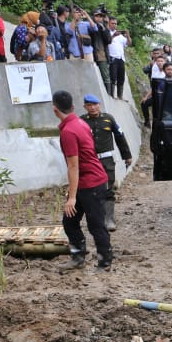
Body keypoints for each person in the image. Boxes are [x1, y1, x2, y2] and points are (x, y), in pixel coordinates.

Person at [52, 90, 112, 271]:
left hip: (91, 183)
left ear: (55, 109)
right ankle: (77, 258)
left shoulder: (69, 132)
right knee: (69, 222)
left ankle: (105, 262)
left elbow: (74, 166)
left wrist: (72, 197)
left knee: (96, 225)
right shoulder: (80, 123)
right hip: (87, 182)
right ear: (73, 106)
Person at [82, 93, 132, 232]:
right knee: (92, 190)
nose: (92, 108)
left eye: (95, 105)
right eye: (89, 105)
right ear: (85, 107)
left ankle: (109, 219)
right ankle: (97, 218)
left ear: (99, 105)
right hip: (90, 160)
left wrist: (126, 155)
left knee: (108, 188)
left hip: (107, 160)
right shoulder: (82, 121)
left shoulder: (108, 119)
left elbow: (119, 136)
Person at [90, 10, 112, 95]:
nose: (99, 18)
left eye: (100, 16)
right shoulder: (90, 25)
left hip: (102, 55)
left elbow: (109, 40)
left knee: (105, 76)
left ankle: (108, 96)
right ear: (93, 16)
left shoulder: (104, 27)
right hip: (91, 54)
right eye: (97, 16)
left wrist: (104, 27)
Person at [109, 26, 127, 98]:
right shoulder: (108, 32)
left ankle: (120, 96)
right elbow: (107, 41)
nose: (114, 25)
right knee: (113, 77)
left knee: (121, 78)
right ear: (109, 23)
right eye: (112, 23)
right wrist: (113, 35)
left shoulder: (121, 36)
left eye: (115, 23)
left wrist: (128, 35)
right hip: (113, 57)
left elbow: (128, 43)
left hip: (121, 58)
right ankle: (111, 95)